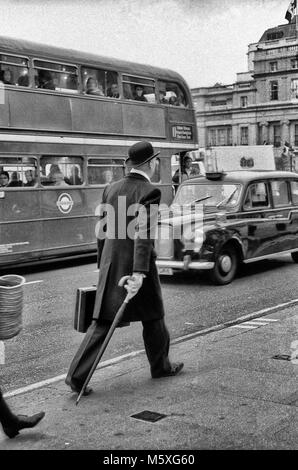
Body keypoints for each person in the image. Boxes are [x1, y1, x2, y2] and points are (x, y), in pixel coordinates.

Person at [65, 141, 184, 395]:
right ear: (151, 163)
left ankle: (77, 377)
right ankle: (161, 367)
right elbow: (144, 234)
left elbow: (102, 230)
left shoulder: (111, 188)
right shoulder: (149, 191)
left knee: (111, 320)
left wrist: (102, 264)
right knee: (153, 315)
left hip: (112, 263)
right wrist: (139, 272)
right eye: (156, 161)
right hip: (137, 266)